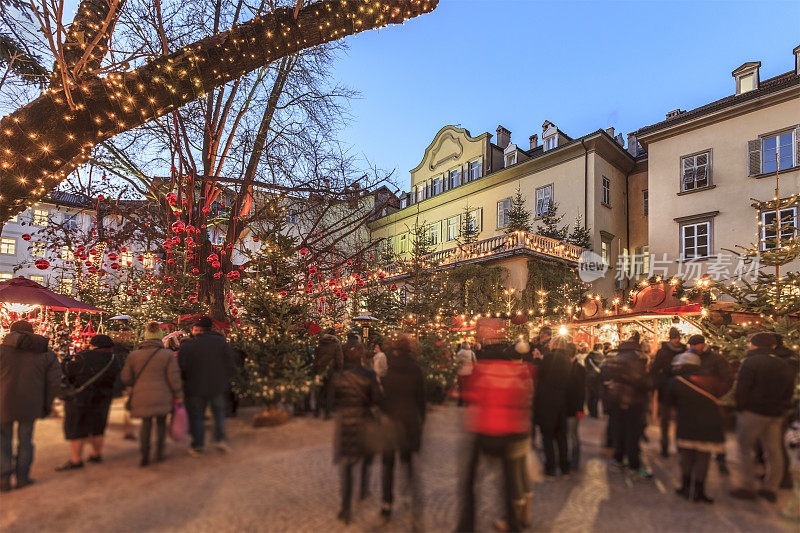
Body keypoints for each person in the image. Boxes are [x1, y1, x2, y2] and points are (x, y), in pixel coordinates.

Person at [457, 318, 534, 533]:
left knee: (471, 482)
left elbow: (474, 393)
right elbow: (523, 395)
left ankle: (466, 525)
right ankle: (514, 524)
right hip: (510, 430)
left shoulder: (483, 363)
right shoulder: (516, 365)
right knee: (507, 484)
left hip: (485, 429)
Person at [730, 332, 795, 503]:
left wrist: (740, 407)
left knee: (745, 448)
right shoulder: (783, 364)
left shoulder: (751, 362)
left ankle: (747, 486)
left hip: (753, 411)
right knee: (773, 451)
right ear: (772, 346)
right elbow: (788, 390)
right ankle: (771, 488)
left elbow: (742, 389)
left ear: (754, 345)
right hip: (775, 413)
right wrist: (783, 408)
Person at [0, 321, 61, 491]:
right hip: (32, 402)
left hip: (2, 403)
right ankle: (22, 477)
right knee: (25, 440)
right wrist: (46, 404)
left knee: (2, 440)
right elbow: (54, 382)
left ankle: (3, 478)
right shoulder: (46, 354)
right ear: (32, 333)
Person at [666, 351, 728, 503]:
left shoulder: (676, 381)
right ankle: (700, 491)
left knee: (686, 456)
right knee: (703, 458)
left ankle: (686, 488)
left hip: (687, 422)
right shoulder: (711, 380)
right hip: (710, 423)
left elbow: (670, 403)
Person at [330, 339, 380, 524]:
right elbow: (376, 399)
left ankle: (346, 508)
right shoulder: (369, 375)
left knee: (347, 466)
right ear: (362, 354)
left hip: (346, 424)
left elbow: (333, 402)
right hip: (364, 422)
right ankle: (364, 489)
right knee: (366, 458)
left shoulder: (339, 376)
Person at [121, 322, 184, 466]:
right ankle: (160, 452)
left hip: (141, 395)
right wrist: (179, 394)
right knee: (161, 423)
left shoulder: (134, 355)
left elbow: (126, 378)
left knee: (146, 423)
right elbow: (174, 377)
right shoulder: (167, 355)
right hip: (163, 394)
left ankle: (145, 454)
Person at [378, 335, 426, 524]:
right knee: (408, 463)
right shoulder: (416, 370)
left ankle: (386, 504)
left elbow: (383, 398)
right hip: (409, 422)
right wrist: (421, 420)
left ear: (396, 350)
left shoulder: (390, 370)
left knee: (388, 465)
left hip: (391, 423)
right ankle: (411, 499)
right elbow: (421, 399)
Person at [57, 334, 122, 471]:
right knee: (98, 426)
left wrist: (67, 359)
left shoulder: (84, 356)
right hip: (103, 397)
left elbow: (68, 370)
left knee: (76, 427)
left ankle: (76, 460)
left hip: (81, 397)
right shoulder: (114, 359)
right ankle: (96, 454)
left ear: (94, 345)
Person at [178, 316, 235, 456]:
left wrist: (186, 381)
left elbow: (182, 367)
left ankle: (198, 444)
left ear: (196, 329)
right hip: (217, 385)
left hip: (195, 387)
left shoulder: (188, 345)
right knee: (218, 413)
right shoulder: (221, 342)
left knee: (197, 415)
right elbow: (230, 364)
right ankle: (219, 438)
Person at [603, 333, 652, 478]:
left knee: (620, 430)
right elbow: (641, 381)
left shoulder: (614, 356)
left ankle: (618, 459)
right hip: (633, 400)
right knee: (633, 433)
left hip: (615, 399)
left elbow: (604, 375)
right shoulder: (639, 358)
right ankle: (633, 464)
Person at [686, 335, 733, 473]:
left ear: (702, 344)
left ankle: (721, 458)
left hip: (712, 400)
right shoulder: (690, 357)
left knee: (716, 430)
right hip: (695, 400)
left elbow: (726, 379)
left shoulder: (716, 358)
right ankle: (696, 456)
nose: (692, 348)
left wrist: (717, 394)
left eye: (694, 345)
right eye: (690, 346)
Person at [534, 334, 572, 477]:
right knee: (562, 437)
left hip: (547, 403)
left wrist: (537, 360)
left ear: (553, 344)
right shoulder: (568, 361)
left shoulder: (548, 359)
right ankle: (564, 466)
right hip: (562, 403)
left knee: (548, 437)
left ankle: (550, 467)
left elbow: (540, 376)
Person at [650, 327, 686, 457]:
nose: (676, 340)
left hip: (680, 388)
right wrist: (655, 385)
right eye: (674, 338)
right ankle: (664, 445)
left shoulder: (684, 351)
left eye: (677, 337)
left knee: (680, 418)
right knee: (665, 419)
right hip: (666, 388)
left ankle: (680, 444)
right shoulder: (663, 352)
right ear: (670, 338)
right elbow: (654, 369)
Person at [774, 334, 799, 489]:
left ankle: (784, 478)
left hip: (778, 405)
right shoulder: (788, 358)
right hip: (782, 404)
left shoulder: (783, 361)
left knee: (776, 443)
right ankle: (777, 474)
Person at [566, 342, 586, 470]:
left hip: (571, 407)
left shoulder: (578, 368)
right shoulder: (579, 368)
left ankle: (574, 460)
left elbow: (580, 391)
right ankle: (572, 459)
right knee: (572, 434)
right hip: (571, 406)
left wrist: (579, 409)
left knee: (572, 435)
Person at [314, 330, 343, 419]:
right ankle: (327, 413)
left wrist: (316, 369)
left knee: (320, 391)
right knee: (330, 392)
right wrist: (338, 369)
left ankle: (317, 411)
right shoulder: (336, 345)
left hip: (320, 370)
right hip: (331, 370)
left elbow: (316, 356)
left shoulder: (320, 344)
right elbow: (339, 359)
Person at [584, 343, 604, 418]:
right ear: (600, 348)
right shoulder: (602, 357)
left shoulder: (588, 356)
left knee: (589, 395)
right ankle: (595, 412)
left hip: (589, 377)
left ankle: (590, 411)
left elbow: (586, 366)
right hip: (598, 378)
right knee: (596, 395)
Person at [455, 341, 476, 407]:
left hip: (461, 371)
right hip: (469, 371)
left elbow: (456, 361)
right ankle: (467, 402)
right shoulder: (471, 353)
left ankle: (460, 402)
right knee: (468, 387)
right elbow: (475, 361)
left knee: (461, 387)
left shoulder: (459, 353)